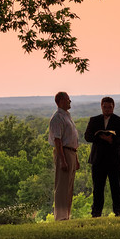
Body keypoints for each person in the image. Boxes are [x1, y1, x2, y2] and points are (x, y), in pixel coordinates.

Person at [84, 96, 120, 217]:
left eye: (110, 107)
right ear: (101, 107)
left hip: (114, 160)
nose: (107, 109)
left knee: (116, 187)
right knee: (97, 188)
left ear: (113, 107)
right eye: (105, 107)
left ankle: (118, 211)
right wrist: (101, 137)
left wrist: (111, 139)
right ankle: (96, 212)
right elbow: (87, 137)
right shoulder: (94, 120)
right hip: (98, 159)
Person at [48, 91, 80, 220]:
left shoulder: (67, 116)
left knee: (69, 186)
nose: (70, 101)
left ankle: (67, 215)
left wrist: (76, 159)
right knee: (62, 186)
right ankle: (60, 217)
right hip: (64, 152)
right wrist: (63, 160)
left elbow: (72, 139)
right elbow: (57, 140)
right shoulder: (57, 118)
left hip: (71, 152)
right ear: (60, 101)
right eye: (68, 99)